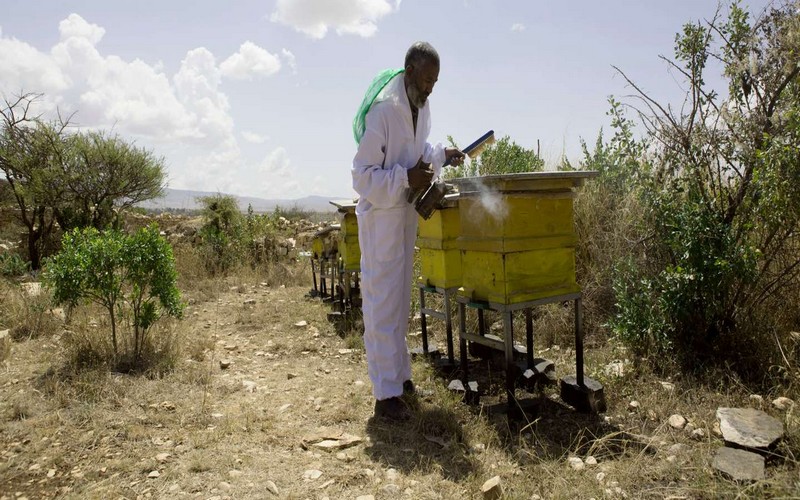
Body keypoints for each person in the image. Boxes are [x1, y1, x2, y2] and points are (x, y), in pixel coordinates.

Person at [352, 41, 464, 420]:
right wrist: (405, 177)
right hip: (381, 218)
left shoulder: (421, 105)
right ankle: (385, 396)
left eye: (436, 82)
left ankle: (399, 379)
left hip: (403, 216)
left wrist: (440, 155)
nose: (432, 87)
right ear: (411, 71)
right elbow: (361, 177)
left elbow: (417, 151)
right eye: (428, 79)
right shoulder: (384, 110)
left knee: (399, 300)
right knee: (382, 302)